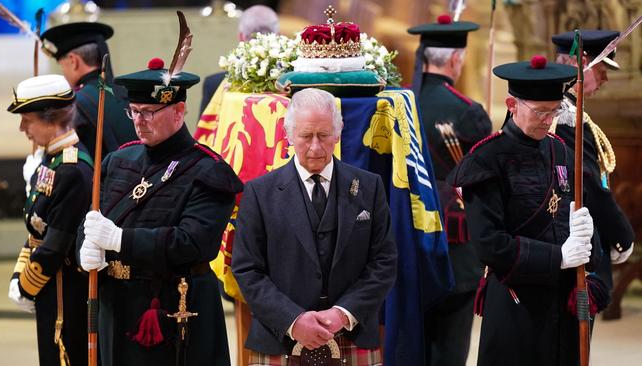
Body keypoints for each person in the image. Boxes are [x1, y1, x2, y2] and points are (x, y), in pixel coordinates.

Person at [77, 57, 243, 366]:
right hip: (116, 307)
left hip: (173, 309)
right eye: (134, 112)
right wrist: (84, 248)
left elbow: (193, 242)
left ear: (179, 111)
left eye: (149, 112)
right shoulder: (118, 160)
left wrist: (120, 240)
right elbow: (91, 220)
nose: (139, 121)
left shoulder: (209, 171)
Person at [448, 57, 606, 366]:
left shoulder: (560, 149)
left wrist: (589, 241)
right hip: (516, 304)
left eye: (554, 111)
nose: (548, 121)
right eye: (540, 112)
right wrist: (559, 257)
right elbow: (490, 245)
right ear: (512, 104)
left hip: (563, 303)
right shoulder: (486, 160)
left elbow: (570, 213)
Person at [232, 88, 397, 365]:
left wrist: (343, 313)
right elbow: (247, 270)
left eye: (323, 135)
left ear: (338, 132)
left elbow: (384, 262)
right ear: (289, 134)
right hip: (279, 337)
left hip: (351, 333)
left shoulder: (370, 187)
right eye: (306, 136)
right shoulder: (259, 193)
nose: (315, 147)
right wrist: (293, 320)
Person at [407, 14, 492, 366]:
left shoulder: (397, 105)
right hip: (454, 245)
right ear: (457, 59)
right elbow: (485, 182)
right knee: (450, 348)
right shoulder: (468, 112)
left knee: (410, 343)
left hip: (407, 240)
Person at [7, 74, 93, 366]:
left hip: (65, 293)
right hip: (50, 287)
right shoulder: (51, 160)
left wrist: (25, 285)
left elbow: (56, 245)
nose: (23, 129)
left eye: (27, 120)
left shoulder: (72, 169)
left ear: (50, 118)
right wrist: (20, 273)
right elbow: (36, 229)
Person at [551, 30, 635, 290]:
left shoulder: (564, 109)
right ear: (583, 63)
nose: (606, 79)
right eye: (602, 70)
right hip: (574, 242)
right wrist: (623, 236)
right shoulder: (564, 116)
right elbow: (588, 185)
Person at [41, 21, 137, 159]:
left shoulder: (75, 104)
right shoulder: (127, 93)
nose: (63, 73)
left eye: (62, 66)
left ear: (73, 61)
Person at [198, 4, 279, 114]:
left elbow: (205, 129)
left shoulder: (214, 85)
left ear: (241, 37)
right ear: (278, 36)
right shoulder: (289, 85)